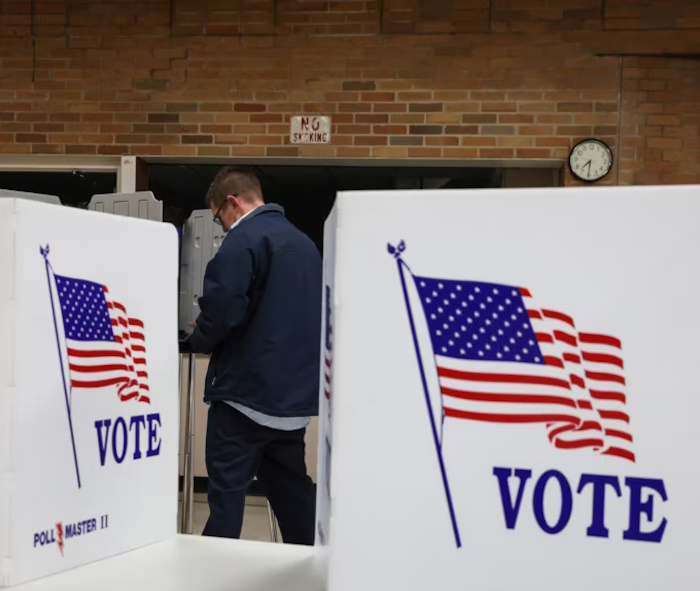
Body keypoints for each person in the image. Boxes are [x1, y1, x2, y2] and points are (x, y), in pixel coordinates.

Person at [183, 165, 321, 545]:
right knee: (292, 490)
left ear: (232, 202)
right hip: (291, 404)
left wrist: (197, 340)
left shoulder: (243, 241)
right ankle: (318, 565)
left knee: (227, 495)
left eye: (218, 217)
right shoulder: (305, 244)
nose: (221, 226)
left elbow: (223, 309)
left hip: (244, 396)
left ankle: (214, 573)